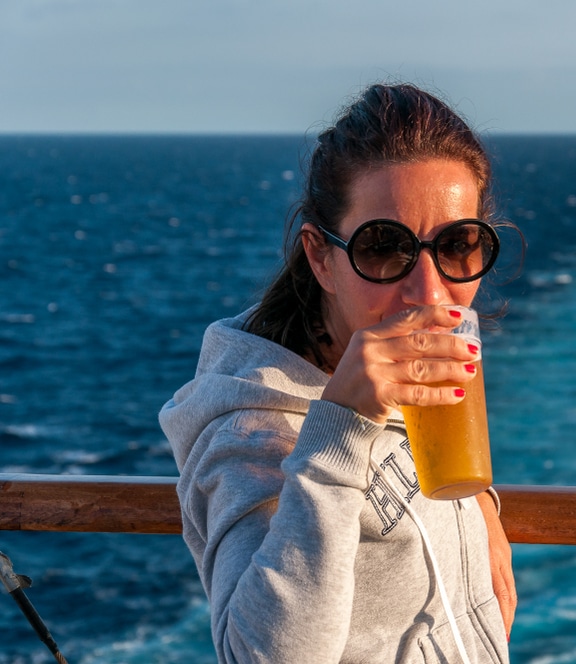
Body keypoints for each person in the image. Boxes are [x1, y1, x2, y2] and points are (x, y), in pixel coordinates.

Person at [159, 83, 516, 663]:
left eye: (457, 245)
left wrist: (476, 507)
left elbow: (408, 470)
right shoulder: (250, 431)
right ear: (320, 256)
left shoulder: (389, 359)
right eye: (383, 248)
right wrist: (342, 428)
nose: (428, 290)